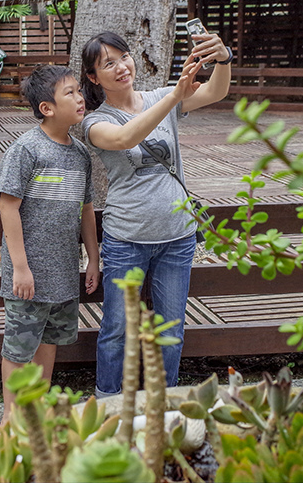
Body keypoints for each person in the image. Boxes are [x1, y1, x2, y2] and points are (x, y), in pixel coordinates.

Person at [80, 29, 232, 395]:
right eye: (108, 64)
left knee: (171, 330)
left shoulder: (161, 95)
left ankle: (163, 402)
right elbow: (124, 139)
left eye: (124, 57)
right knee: (118, 328)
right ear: (93, 77)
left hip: (177, 238)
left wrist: (224, 59)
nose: (121, 67)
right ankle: (107, 403)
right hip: (126, 239)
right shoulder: (94, 122)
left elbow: (216, 91)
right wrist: (175, 97)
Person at [0, 64, 101, 423]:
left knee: (49, 342)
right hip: (28, 275)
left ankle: (36, 414)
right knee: (19, 347)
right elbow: (8, 206)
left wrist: (93, 259)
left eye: (79, 91)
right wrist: (21, 268)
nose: (80, 98)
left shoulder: (80, 154)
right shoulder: (27, 149)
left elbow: (86, 209)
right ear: (47, 108)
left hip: (63, 272)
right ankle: (12, 419)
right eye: (70, 92)